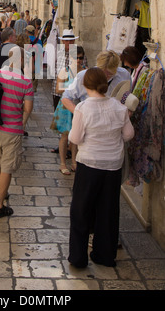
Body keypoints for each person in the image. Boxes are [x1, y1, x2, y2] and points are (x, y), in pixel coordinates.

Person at [68, 67, 134, 268]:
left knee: (81, 210)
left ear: (86, 85)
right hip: (113, 166)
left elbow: (76, 137)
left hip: (90, 164)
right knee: (108, 210)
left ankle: (78, 258)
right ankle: (104, 255)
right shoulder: (118, 107)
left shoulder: (83, 108)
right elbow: (128, 134)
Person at [0, 46, 34, 218]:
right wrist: (21, 124)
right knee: (7, 166)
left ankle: (2, 190)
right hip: (13, 129)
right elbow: (28, 108)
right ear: (21, 60)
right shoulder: (25, 81)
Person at [50, 46, 86, 175]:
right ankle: (62, 163)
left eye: (80, 58)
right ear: (70, 57)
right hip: (66, 106)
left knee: (76, 136)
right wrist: (73, 88)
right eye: (75, 57)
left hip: (80, 106)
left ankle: (75, 162)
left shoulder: (86, 72)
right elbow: (58, 89)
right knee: (65, 135)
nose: (78, 60)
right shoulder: (65, 71)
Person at [62, 49, 131, 115]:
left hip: (116, 122)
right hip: (90, 121)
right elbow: (66, 97)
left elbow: (127, 97)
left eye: (110, 73)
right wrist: (80, 115)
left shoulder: (124, 74)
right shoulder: (83, 76)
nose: (105, 76)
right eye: (102, 72)